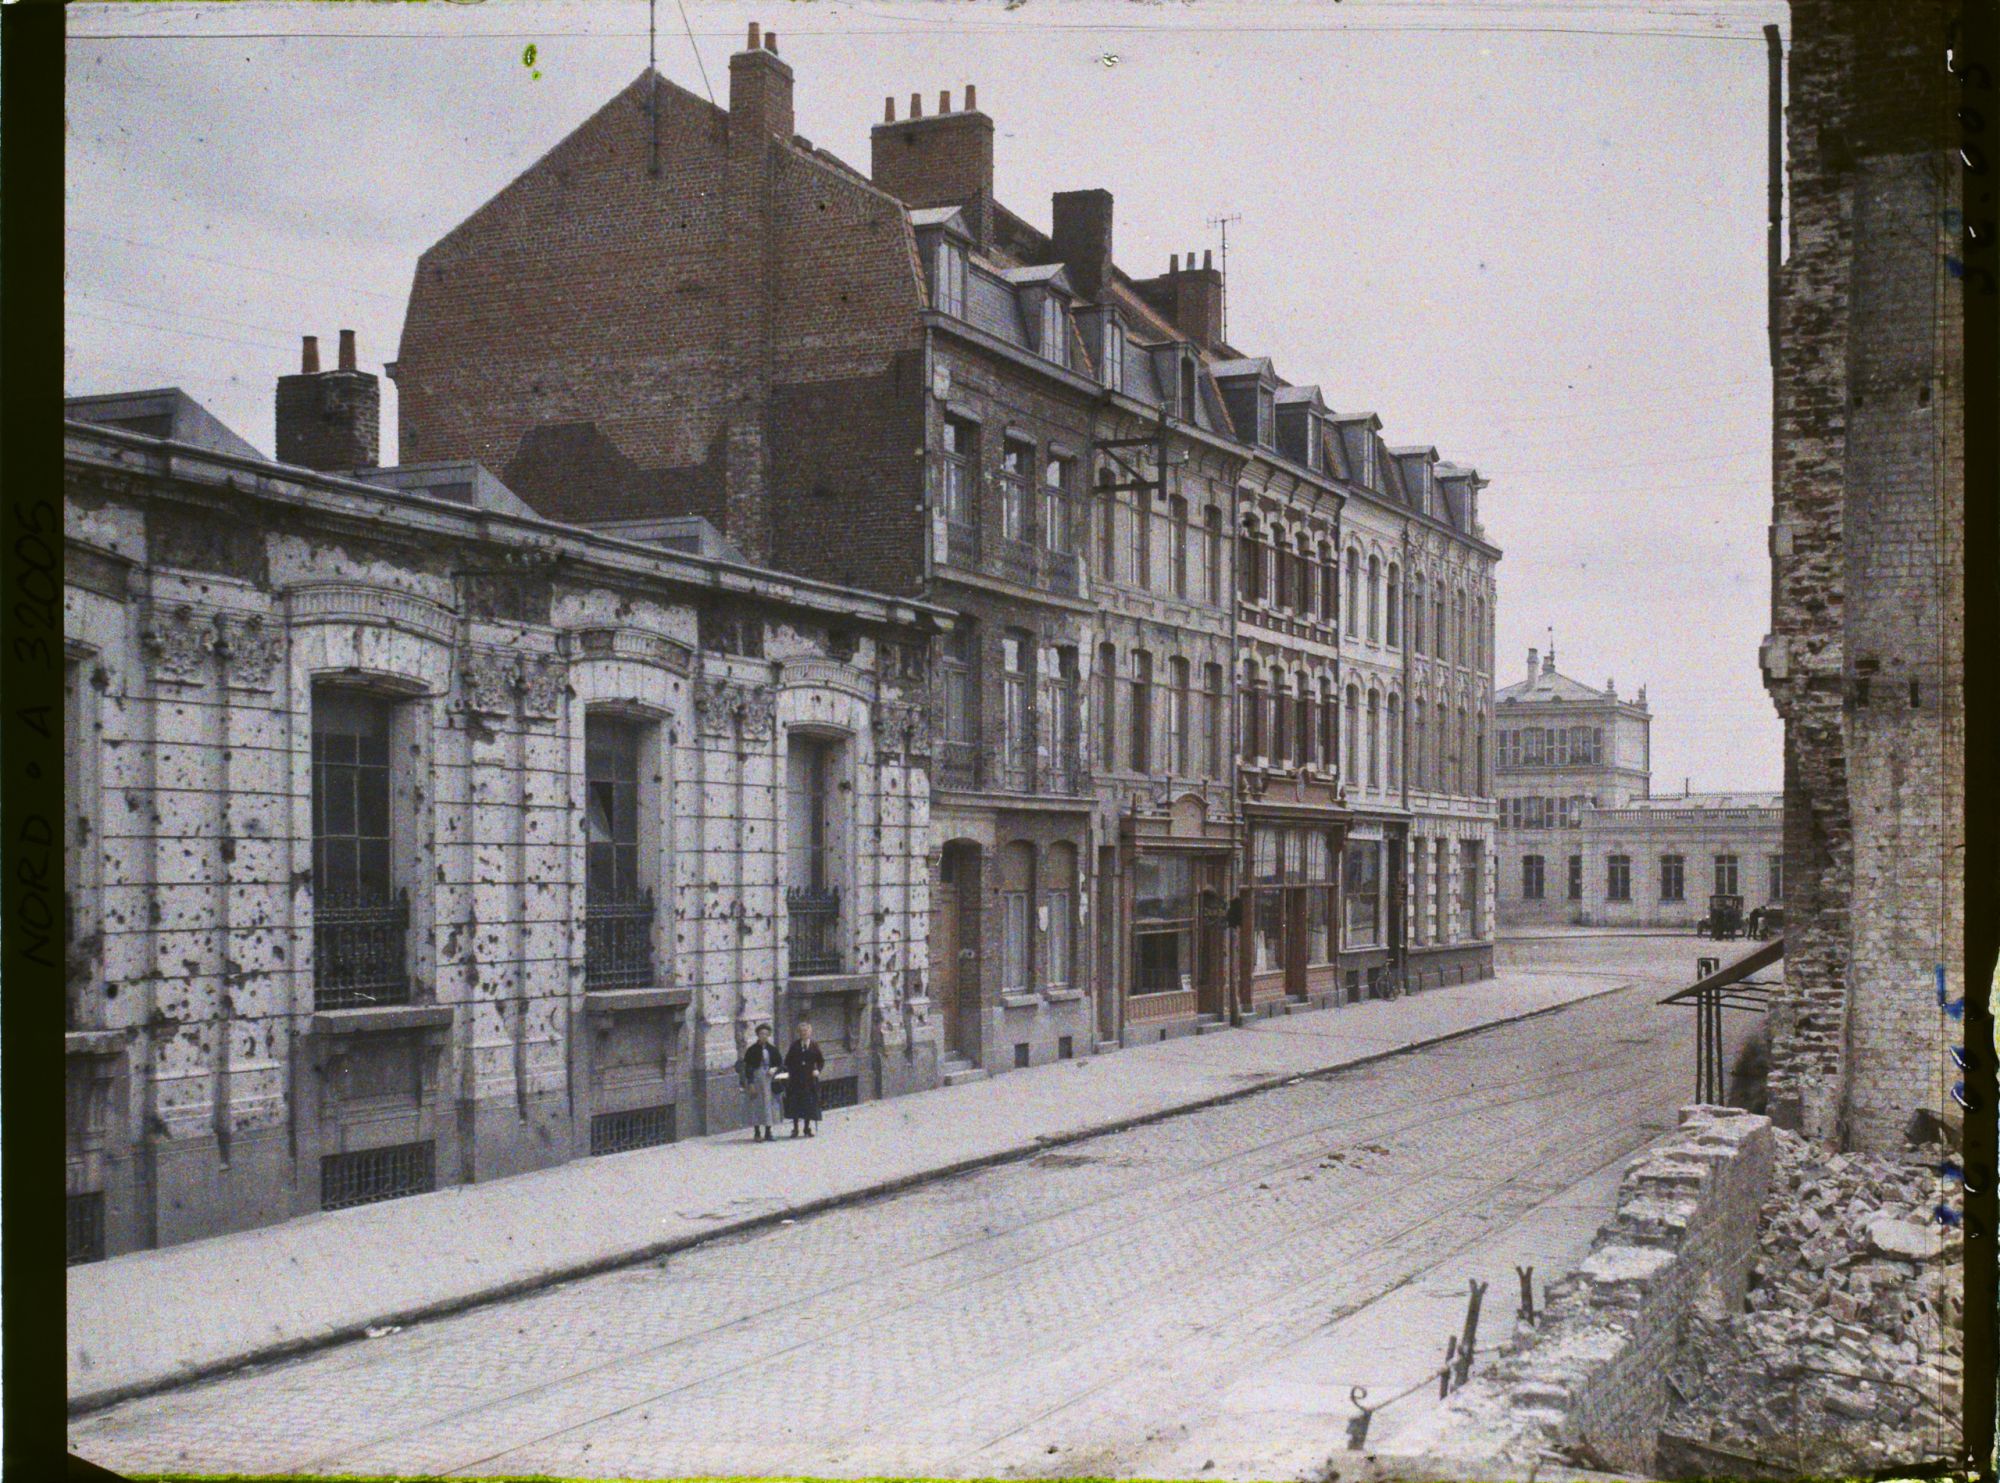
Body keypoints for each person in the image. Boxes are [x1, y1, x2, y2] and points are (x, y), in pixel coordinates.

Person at [738, 1023, 783, 1142]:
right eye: (761, 1033)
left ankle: (768, 1131)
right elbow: (748, 1067)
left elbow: (779, 1062)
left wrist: (774, 1069)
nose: (764, 1036)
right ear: (758, 1034)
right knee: (756, 1105)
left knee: (768, 1104)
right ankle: (757, 1132)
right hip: (757, 1077)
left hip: (769, 1079)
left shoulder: (772, 1049)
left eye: (766, 1034)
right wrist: (751, 1083)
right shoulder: (752, 1050)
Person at [783, 1020, 826, 1138]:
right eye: (801, 1031)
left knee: (808, 1104)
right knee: (795, 1104)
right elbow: (787, 1061)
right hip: (796, 1080)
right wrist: (790, 1072)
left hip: (809, 1080)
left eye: (806, 1031)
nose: (804, 1033)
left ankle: (807, 1128)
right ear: (799, 1033)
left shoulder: (814, 1045)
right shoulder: (795, 1045)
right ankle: (795, 1128)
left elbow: (821, 1060)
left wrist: (818, 1070)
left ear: (810, 1032)